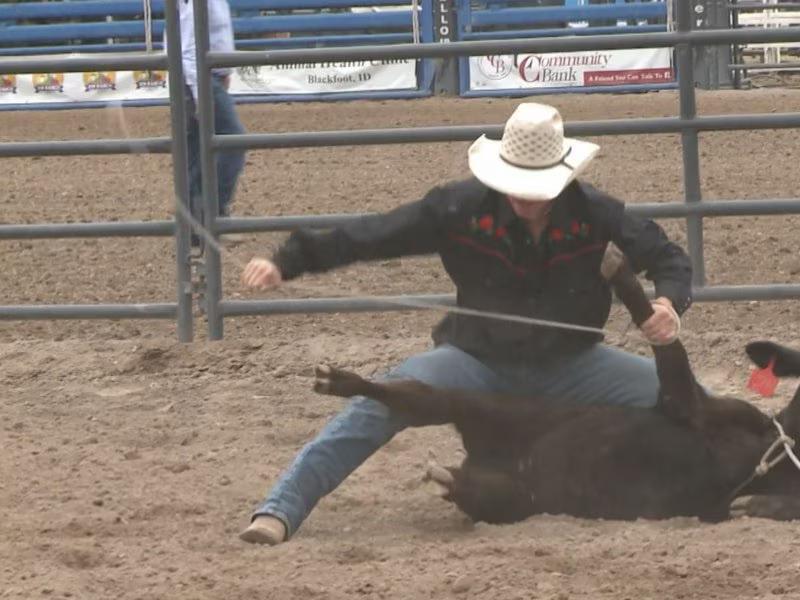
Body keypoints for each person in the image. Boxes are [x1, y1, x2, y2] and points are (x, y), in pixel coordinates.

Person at [238, 103, 692, 545]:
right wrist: (287, 262)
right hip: (474, 361)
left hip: (574, 364)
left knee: (688, 402)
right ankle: (280, 509)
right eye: (517, 183)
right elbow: (370, 235)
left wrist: (668, 304)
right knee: (377, 403)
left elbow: (668, 257)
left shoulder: (597, 214)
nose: (525, 197)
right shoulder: (459, 208)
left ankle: (734, 482)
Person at [170, 0, 246, 242]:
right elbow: (189, 44)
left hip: (200, 74)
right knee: (232, 140)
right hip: (198, 75)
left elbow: (214, 30)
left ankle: (196, 227)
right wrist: (200, 90)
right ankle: (212, 218)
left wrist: (223, 70)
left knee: (196, 152)